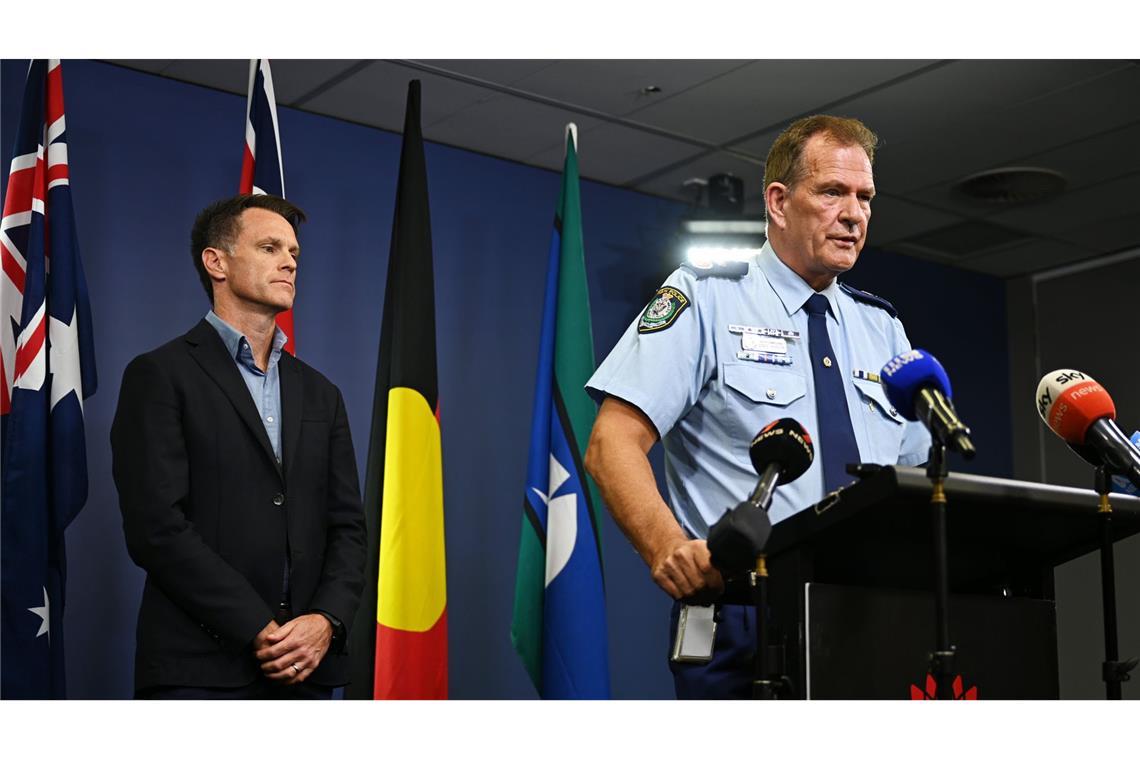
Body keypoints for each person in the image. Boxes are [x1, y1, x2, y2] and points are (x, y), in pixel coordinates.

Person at [583, 115, 931, 699]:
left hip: (868, 614)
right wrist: (668, 547)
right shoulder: (705, 297)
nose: (854, 214)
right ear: (778, 201)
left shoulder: (885, 329)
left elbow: (914, 481)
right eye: (831, 192)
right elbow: (610, 444)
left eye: (865, 197)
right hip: (744, 614)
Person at [111, 194, 367, 699]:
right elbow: (155, 528)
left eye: (294, 252)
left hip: (307, 673)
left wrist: (326, 621)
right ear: (216, 262)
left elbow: (348, 529)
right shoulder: (160, 375)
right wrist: (260, 627)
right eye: (270, 247)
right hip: (200, 672)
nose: (290, 261)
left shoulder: (322, 393)